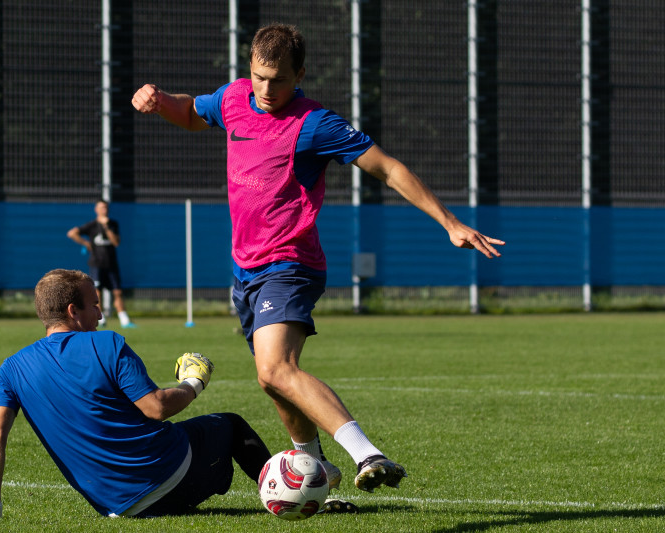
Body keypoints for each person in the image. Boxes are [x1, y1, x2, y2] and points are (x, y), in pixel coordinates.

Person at [132, 23, 505, 494]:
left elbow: (388, 168)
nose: (267, 89)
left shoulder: (315, 124)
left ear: (300, 75)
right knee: (273, 380)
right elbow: (191, 113)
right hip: (245, 270)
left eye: (279, 80)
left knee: (275, 369)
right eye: (260, 77)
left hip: (290, 263)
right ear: (249, 70)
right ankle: (315, 468)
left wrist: (450, 222)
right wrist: (161, 100)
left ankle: (367, 453)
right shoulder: (233, 98)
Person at [0, 268, 272, 519]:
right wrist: (194, 383)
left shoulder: (9, 370)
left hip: (116, 506)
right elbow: (157, 408)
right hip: (169, 476)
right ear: (73, 311)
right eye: (95, 305)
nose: (100, 315)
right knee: (232, 425)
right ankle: (285, 492)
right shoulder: (107, 343)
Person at [67, 199, 135, 328]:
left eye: (106, 207)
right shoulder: (91, 225)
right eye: (102, 207)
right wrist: (86, 243)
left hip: (111, 264)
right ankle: (101, 319)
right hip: (96, 264)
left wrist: (106, 227)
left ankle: (124, 320)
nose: (104, 210)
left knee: (117, 292)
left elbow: (116, 242)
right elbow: (72, 233)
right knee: (97, 293)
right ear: (96, 210)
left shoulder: (113, 224)